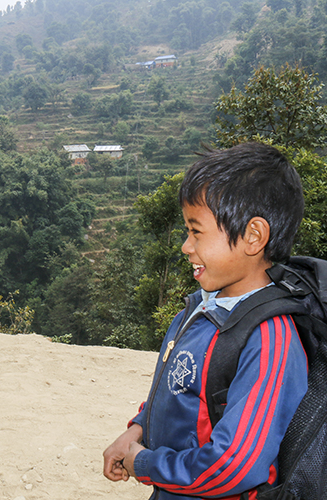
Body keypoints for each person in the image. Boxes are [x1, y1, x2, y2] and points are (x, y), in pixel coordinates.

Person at [102, 142, 309, 499]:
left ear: (253, 236)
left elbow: (235, 467)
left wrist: (145, 464)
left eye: (196, 231)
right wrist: (136, 431)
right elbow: (178, 391)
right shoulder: (198, 310)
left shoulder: (270, 340)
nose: (186, 245)